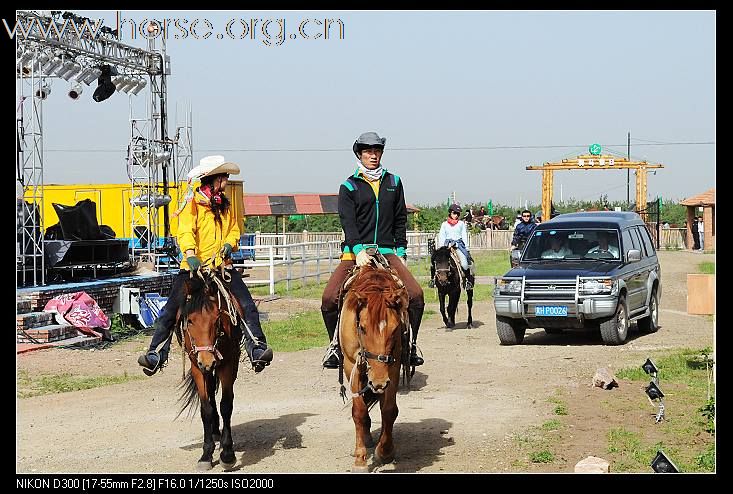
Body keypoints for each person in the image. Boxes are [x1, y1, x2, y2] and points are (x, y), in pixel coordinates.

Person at [137, 156, 273, 376]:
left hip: (222, 268)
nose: (227, 181)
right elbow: (185, 230)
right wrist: (190, 254)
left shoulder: (225, 205)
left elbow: (234, 229)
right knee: (170, 311)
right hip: (193, 269)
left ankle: (256, 347)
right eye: (223, 177)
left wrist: (230, 244)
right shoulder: (192, 204)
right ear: (212, 179)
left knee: (247, 306)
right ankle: (156, 353)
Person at [321, 132, 425, 369]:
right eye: (368, 151)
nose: (373, 155)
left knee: (416, 295)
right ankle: (335, 346)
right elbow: (348, 222)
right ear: (359, 154)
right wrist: (358, 250)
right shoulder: (349, 186)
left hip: (388, 251)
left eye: (376, 151)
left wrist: (401, 251)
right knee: (329, 298)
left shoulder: (394, 182)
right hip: (355, 253)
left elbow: (400, 219)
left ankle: (410, 346)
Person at [431, 203, 475, 289]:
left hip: (457, 246)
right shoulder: (444, 224)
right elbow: (442, 236)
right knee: (434, 261)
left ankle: (467, 281)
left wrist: (466, 247)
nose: (456, 215)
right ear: (450, 213)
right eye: (455, 213)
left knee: (465, 264)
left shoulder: (461, 224)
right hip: (446, 247)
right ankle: (433, 280)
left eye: (458, 213)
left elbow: (464, 236)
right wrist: (442, 248)